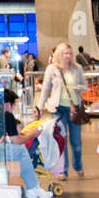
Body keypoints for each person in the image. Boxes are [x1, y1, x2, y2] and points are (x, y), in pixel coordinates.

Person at [38, 42, 86, 179]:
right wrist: (40, 108)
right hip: (58, 110)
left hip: (74, 109)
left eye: (70, 53)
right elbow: (46, 89)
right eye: (65, 53)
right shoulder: (51, 69)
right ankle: (63, 171)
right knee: (61, 141)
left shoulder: (78, 68)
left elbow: (85, 85)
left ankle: (78, 166)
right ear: (59, 54)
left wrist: (80, 88)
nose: (68, 56)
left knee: (76, 142)